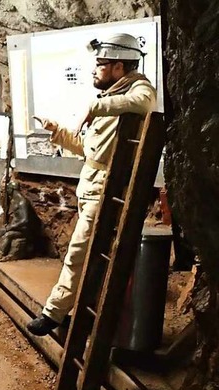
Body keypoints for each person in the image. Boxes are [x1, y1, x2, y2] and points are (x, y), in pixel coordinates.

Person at [26, 33, 157, 336]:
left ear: (119, 66)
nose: (95, 70)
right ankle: (79, 314)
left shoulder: (137, 89)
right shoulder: (114, 96)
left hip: (106, 191)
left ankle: (53, 313)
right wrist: (57, 130)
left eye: (101, 64)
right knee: (85, 255)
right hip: (92, 185)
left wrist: (94, 108)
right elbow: (89, 148)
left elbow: (146, 100)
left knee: (77, 253)